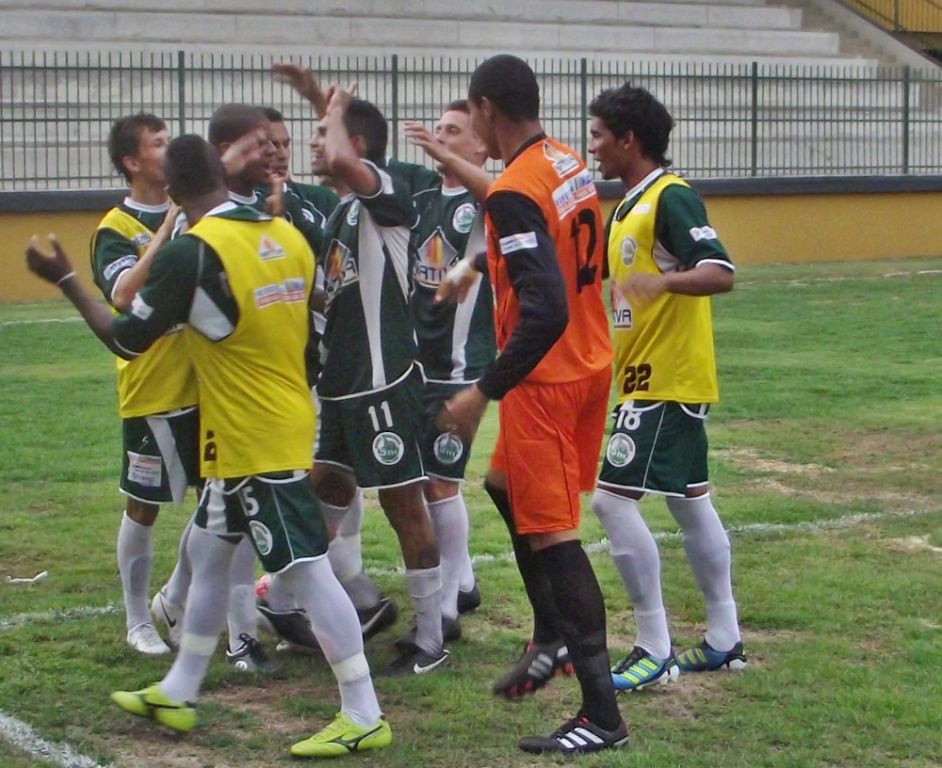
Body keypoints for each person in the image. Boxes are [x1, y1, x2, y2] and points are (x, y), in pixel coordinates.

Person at [26, 134, 391, 758]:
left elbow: (125, 339)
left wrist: (64, 278)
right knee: (205, 547)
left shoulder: (192, 253)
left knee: (303, 568)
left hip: (252, 436)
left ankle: (363, 711)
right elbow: (311, 319)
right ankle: (180, 686)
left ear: (172, 192)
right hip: (278, 415)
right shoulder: (282, 235)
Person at [436, 54, 627, 755]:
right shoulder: (565, 160)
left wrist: (480, 393)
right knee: (500, 484)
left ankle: (601, 714)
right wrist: (477, 265)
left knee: (554, 535)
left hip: (544, 382)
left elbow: (541, 306)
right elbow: (550, 252)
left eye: (470, 113)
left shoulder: (513, 188)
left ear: (487, 107)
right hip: (588, 362)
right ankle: (550, 635)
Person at [586, 84, 745, 692]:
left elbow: (720, 271)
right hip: (644, 378)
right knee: (689, 499)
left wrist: (664, 285)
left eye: (600, 133)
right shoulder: (625, 208)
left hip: (666, 380)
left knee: (611, 501)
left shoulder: (670, 197)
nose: (594, 145)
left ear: (630, 140)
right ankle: (724, 638)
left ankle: (653, 645)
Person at [312, 86, 449, 676]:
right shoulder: (338, 214)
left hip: (384, 384)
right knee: (320, 499)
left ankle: (431, 637)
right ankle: (306, 609)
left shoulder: (387, 197)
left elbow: (345, 159)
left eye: (322, 134)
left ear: (357, 145)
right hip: (341, 390)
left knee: (403, 508)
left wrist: (333, 107)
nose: (315, 143)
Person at [90, 113, 198, 656]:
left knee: (223, 504)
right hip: (152, 389)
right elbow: (123, 297)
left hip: (209, 385)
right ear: (133, 162)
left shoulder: (200, 213)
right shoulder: (114, 228)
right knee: (144, 505)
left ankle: (175, 597)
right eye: (158, 144)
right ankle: (138, 621)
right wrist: (167, 228)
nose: (170, 148)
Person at [399, 101, 494, 637]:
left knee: (441, 481)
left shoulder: (489, 201)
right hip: (417, 365)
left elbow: (499, 196)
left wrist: (450, 160)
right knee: (420, 480)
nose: (440, 138)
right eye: (436, 130)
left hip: (464, 367)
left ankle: (449, 609)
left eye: (453, 131)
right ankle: (461, 582)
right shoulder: (421, 197)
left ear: (480, 146)